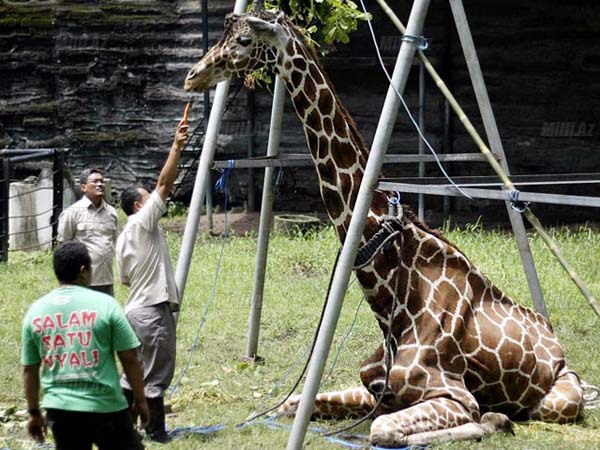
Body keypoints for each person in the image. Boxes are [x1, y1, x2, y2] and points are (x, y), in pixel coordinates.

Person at [22, 241, 150, 450]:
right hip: (106, 407)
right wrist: (140, 400)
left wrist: (34, 413)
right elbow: (130, 358)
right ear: (83, 271)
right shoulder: (106, 305)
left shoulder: (35, 312)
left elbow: (29, 369)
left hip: (60, 410)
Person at [116, 120, 188, 443]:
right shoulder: (143, 222)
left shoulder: (122, 238)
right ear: (137, 206)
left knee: (133, 375)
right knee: (157, 373)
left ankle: (121, 428)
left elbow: (126, 279)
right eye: (147, 199)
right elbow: (164, 184)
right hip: (152, 312)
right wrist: (176, 146)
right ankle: (156, 432)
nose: (154, 202)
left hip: (132, 311)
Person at [57, 168, 118, 295]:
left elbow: (113, 243)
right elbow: (63, 247)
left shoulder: (111, 213)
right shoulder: (72, 213)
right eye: (95, 182)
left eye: (101, 181)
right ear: (83, 187)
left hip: (106, 278)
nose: (100, 184)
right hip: (82, 281)